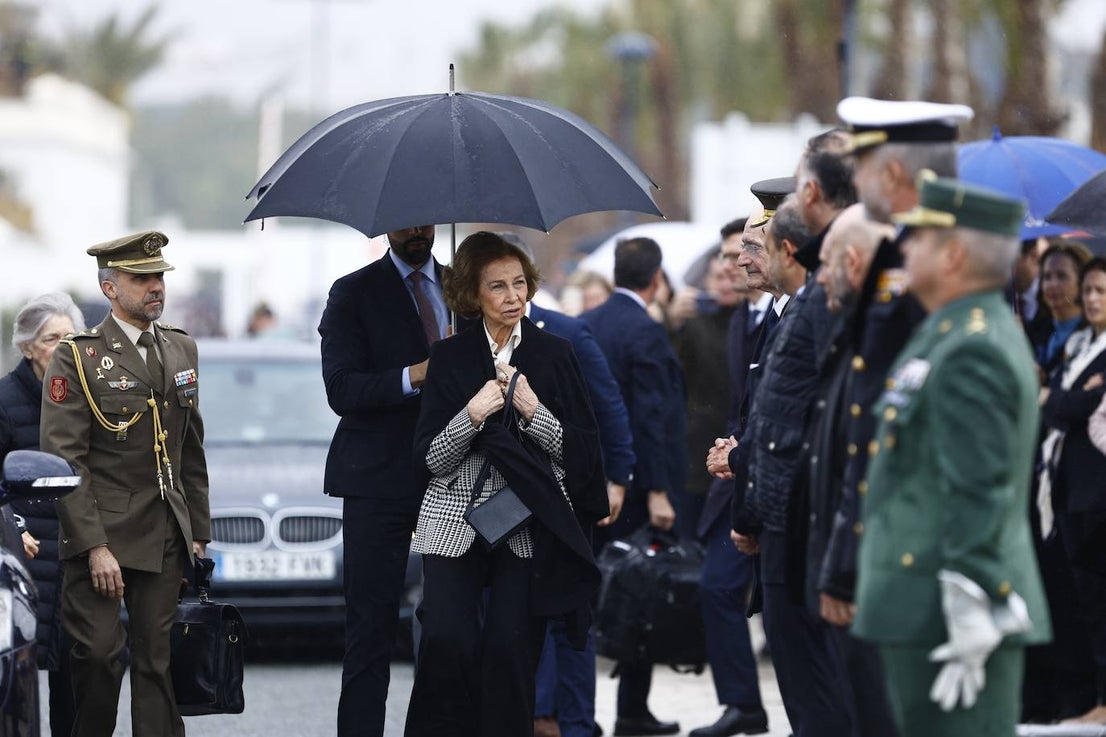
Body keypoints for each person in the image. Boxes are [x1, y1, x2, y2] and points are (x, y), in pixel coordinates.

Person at [854, 177, 1051, 737]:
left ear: (954, 255)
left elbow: (979, 486)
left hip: (951, 611)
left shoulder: (972, 347)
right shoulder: (951, 330)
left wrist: (973, 595)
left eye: (919, 238)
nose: (905, 247)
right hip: (925, 601)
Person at [404, 231, 606, 737]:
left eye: (520, 283)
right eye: (498, 286)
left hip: (525, 519)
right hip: (452, 520)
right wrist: (472, 414)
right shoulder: (449, 356)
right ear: (473, 294)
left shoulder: (554, 354)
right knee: (446, 638)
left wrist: (533, 410)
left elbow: (582, 454)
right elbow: (431, 459)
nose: (514, 296)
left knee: (511, 650)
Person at [39, 231, 210, 737]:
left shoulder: (181, 347)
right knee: (98, 655)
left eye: (159, 277)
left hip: (164, 531)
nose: (156, 287)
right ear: (110, 288)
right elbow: (65, 460)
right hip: (102, 533)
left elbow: (189, 447)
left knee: (158, 663)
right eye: (141, 278)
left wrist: (198, 530)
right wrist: (93, 547)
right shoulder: (77, 356)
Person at [500, 232, 635, 737]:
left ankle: (576, 725)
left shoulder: (567, 334)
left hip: (563, 500)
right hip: (498, 507)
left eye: (516, 280)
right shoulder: (461, 340)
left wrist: (616, 478)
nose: (509, 293)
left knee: (569, 614)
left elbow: (607, 410)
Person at [318, 224, 449, 737]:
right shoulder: (353, 292)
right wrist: (417, 373)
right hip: (376, 477)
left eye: (425, 220)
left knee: (450, 628)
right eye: (405, 221)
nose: (417, 230)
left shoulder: (463, 288)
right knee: (370, 630)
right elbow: (341, 389)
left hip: (452, 476)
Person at [732, 195, 854, 737]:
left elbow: (786, 429)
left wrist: (748, 508)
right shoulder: (794, 312)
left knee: (817, 685)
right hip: (788, 515)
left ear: (787, 249)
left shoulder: (812, 314)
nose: (744, 260)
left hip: (799, 520)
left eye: (755, 247)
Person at [580, 237, 685, 737]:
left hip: (590, 482)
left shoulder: (587, 323)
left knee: (589, 595)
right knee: (639, 593)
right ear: (657, 278)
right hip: (638, 487)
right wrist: (659, 489)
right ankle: (631, 710)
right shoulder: (645, 330)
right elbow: (652, 415)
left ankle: (579, 711)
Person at [690, 217, 769, 737]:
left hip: (767, 474)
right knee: (718, 587)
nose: (732, 263)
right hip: (738, 474)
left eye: (743, 250)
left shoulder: (777, 314)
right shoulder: (743, 315)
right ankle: (742, 704)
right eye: (726, 255)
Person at [0, 292, 84, 737]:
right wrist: (11, 528)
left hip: (75, 551)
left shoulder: (84, 397)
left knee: (75, 674)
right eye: (53, 339)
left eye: (71, 338)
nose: (64, 347)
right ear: (28, 346)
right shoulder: (4, 399)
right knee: (19, 674)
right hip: (23, 555)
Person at [1038, 256, 1106, 726]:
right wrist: (1065, 399)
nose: (1093, 299)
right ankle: (1089, 696)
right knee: (1081, 604)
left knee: (1101, 603)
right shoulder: (1079, 343)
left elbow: (1075, 405)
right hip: (1066, 489)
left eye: (1101, 291)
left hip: (1098, 493)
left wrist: (1062, 399)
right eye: (1090, 291)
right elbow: (1060, 407)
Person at [1034, 240, 1092, 379]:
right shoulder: (1036, 329)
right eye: (1047, 277)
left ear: (1082, 282)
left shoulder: (1095, 334)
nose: (1052, 284)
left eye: (1061, 276)